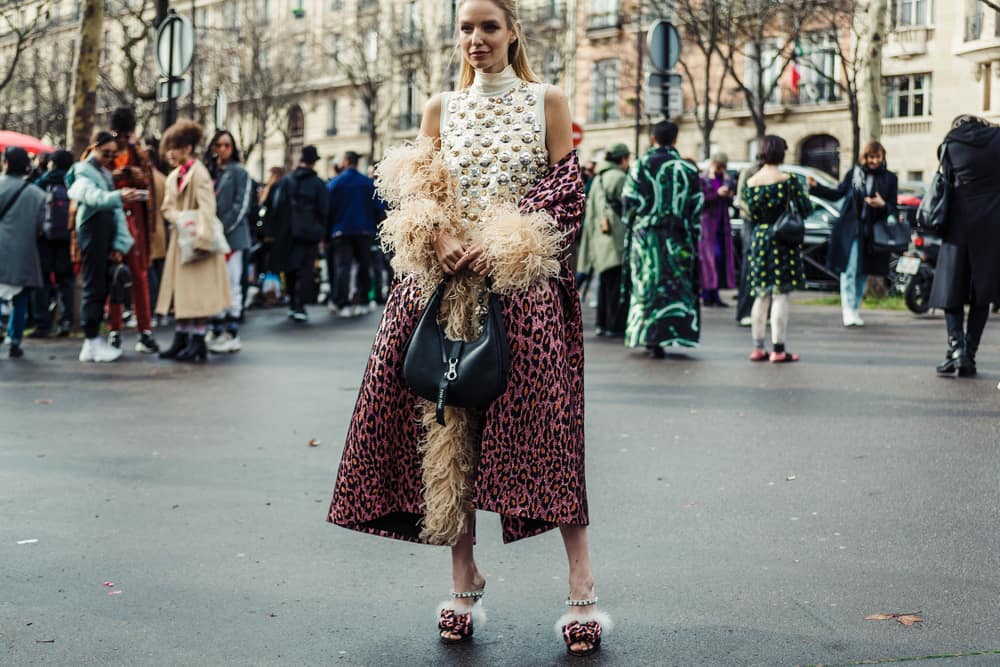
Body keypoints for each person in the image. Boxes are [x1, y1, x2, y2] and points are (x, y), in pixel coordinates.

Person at [328, 0, 608, 657]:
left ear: (513, 32)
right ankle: (462, 579)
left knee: (548, 431)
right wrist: (441, 231)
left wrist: (505, 240)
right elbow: (419, 189)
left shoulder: (549, 101)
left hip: (522, 289)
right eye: (466, 27)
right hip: (444, 287)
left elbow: (565, 195)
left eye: (488, 26)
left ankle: (583, 584)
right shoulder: (439, 108)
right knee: (447, 426)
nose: (475, 38)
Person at [621, 120, 705, 358]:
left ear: (653, 139)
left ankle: (649, 336)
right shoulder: (688, 169)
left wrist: (632, 224)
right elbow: (697, 206)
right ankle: (675, 333)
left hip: (646, 237)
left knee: (646, 286)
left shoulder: (640, 166)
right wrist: (692, 232)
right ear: (675, 140)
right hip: (678, 237)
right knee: (677, 286)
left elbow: (629, 202)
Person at [928, 115, 1000, 377]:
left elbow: (944, 181)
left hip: (958, 224)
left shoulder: (952, 142)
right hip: (992, 224)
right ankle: (968, 353)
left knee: (952, 288)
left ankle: (956, 351)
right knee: (981, 294)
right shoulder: (997, 140)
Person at [155, 120, 232, 362]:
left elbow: (208, 207)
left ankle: (196, 339)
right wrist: (179, 218)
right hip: (181, 241)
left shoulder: (199, 173)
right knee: (182, 293)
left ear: (187, 148)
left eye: (174, 148)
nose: (169, 153)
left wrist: (203, 237)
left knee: (197, 293)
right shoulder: (174, 176)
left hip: (198, 241)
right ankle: (183, 337)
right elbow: (166, 207)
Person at [66, 132, 139, 363]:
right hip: (93, 232)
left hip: (103, 233)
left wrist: (119, 244)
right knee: (93, 286)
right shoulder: (83, 171)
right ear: (94, 147)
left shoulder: (103, 173)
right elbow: (89, 195)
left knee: (101, 285)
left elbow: (114, 209)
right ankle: (91, 341)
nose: (109, 157)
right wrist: (117, 196)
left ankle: (93, 340)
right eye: (106, 153)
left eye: (113, 154)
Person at [810, 141, 898, 327]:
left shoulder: (890, 178)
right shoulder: (855, 174)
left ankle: (855, 307)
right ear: (864, 157)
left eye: (877, 157)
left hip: (872, 232)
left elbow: (893, 206)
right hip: (851, 228)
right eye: (870, 157)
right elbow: (837, 193)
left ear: (883, 157)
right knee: (849, 269)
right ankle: (848, 309)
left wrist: (882, 205)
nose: (873, 161)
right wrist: (816, 187)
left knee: (863, 271)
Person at [742, 135, 813, 362]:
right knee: (781, 294)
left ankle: (757, 347)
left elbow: (750, 212)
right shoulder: (788, 180)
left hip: (760, 237)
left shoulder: (751, 182)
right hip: (783, 238)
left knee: (760, 295)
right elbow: (805, 209)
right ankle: (778, 349)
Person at [107, 107, 160, 354]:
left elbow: (149, 184)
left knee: (138, 276)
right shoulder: (105, 152)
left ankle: (142, 330)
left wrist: (137, 176)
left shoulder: (138, 154)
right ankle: (116, 330)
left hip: (134, 221)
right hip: (116, 219)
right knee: (117, 276)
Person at [205, 130, 253, 353]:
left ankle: (231, 332)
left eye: (227, 145)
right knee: (215, 285)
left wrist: (222, 229)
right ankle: (216, 328)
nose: (223, 149)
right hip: (213, 237)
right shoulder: (212, 171)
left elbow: (241, 205)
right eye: (219, 145)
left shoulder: (239, 172)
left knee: (232, 284)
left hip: (233, 238)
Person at [270, 146, 328, 322]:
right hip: (310, 234)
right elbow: (325, 210)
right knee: (306, 270)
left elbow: (277, 205)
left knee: (290, 268)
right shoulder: (318, 184)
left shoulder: (287, 181)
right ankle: (301, 305)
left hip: (289, 232)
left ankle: (292, 303)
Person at [577, 143, 629, 337]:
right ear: (623, 159)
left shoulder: (598, 178)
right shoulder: (620, 177)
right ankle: (614, 325)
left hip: (599, 236)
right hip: (615, 236)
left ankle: (602, 323)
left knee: (605, 284)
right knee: (616, 284)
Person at [0, 147, 47, 359]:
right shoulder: (37, 194)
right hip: (26, 251)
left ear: (6, 163)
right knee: (20, 299)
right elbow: (40, 228)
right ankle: (15, 340)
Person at [325, 150, 384, 318]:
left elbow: (327, 210)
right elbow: (378, 209)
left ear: (344, 162)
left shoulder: (336, 183)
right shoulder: (367, 183)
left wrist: (327, 233)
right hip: (364, 230)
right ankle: (363, 301)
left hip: (341, 230)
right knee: (364, 266)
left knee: (343, 267)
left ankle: (341, 303)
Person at [29, 149, 76, 338]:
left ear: (52, 163)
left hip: (44, 239)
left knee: (43, 281)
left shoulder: (42, 182)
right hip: (67, 238)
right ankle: (66, 322)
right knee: (66, 282)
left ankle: (43, 324)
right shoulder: (73, 182)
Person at [699, 153, 736, 307]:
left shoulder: (724, 178)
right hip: (708, 224)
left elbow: (729, 199)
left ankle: (715, 293)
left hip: (722, 224)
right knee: (711, 258)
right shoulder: (704, 179)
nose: (721, 169)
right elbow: (702, 200)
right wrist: (717, 193)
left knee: (720, 259)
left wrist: (728, 192)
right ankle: (707, 292)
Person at [733, 163, 761, 326]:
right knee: (749, 263)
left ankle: (760, 309)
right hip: (751, 221)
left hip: (761, 222)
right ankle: (745, 310)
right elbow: (740, 198)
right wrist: (755, 212)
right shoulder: (749, 172)